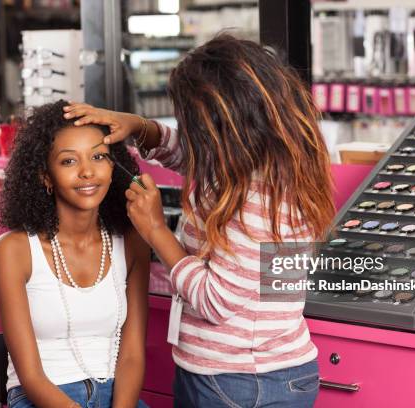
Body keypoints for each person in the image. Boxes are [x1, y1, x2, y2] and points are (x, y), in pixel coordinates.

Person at [63, 34, 335, 407]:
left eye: (190, 124)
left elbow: (214, 301)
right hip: (262, 370)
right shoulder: (263, 164)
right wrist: (141, 127)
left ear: (220, 130)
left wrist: (155, 230)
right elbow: (184, 152)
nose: (185, 133)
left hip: (240, 380)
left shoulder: (256, 201)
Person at [0, 100, 150, 408]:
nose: (88, 172)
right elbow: (31, 376)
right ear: (45, 176)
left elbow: (132, 356)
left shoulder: (132, 243)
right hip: (42, 397)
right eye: (68, 161)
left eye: (99, 156)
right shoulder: (14, 251)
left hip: (117, 396)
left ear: (113, 166)